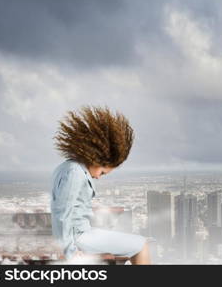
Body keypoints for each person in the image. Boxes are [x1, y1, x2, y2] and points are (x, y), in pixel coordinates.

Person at [50, 105, 150, 265]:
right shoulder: (74, 172)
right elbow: (62, 215)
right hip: (80, 237)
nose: (98, 177)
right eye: (102, 172)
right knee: (141, 245)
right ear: (95, 158)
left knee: (125, 251)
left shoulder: (68, 167)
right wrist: (70, 253)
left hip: (81, 234)